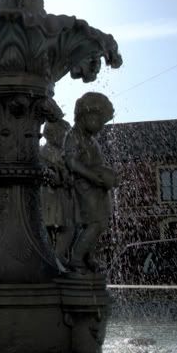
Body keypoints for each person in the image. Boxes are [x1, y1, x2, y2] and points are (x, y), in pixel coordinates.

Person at [65, 92, 118, 274]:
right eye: (99, 120)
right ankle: (77, 258)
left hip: (97, 187)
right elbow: (71, 162)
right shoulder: (73, 136)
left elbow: (97, 163)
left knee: (100, 223)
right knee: (94, 223)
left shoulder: (91, 140)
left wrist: (107, 175)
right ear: (85, 115)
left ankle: (89, 257)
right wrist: (93, 176)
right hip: (84, 186)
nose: (101, 126)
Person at [40, 119, 74, 264]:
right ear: (53, 134)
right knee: (67, 227)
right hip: (54, 196)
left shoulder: (46, 151)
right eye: (65, 134)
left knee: (53, 229)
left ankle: (53, 258)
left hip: (51, 197)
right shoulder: (51, 152)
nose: (66, 138)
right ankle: (57, 257)